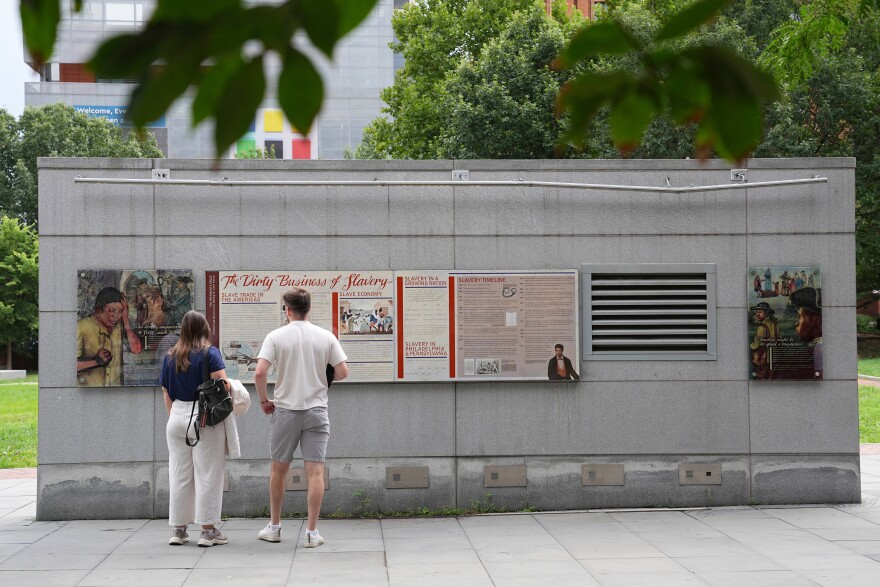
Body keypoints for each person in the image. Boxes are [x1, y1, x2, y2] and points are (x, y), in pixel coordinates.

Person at [255, 288, 348, 548]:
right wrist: (321, 377)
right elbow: (342, 372)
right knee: (316, 471)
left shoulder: (276, 337)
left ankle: (274, 527)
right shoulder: (325, 337)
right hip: (317, 410)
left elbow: (260, 373)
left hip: (285, 410)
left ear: (287, 309)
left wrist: (264, 401)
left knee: (278, 469)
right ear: (308, 309)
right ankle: (312, 532)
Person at [160, 310, 233, 548]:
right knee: (208, 474)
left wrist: (176, 417)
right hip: (203, 417)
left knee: (179, 473)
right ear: (204, 329)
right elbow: (222, 384)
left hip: (177, 416)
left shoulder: (170, 356)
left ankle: (179, 530)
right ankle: (208, 531)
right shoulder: (209, 353)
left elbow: (165, 391)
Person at [76, 286, 143, 386]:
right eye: (112, 311)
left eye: (120, 311)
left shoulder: (120, 326)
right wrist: (95, 362)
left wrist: (125, 320)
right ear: (99, 309)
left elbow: (136, 349)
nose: (116, 316)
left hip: (116, 389)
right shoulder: (81, 327)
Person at [791, 287, 823, 378]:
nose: (796, 323)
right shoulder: (818, 345)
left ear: (812, 321)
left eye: (800, 317)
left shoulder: (819, 348)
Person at [749, 301, 780, 379]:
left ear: (766, 313)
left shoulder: (762, 327)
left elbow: (756, 345)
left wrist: (751, 346)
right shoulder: (775, 324)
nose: (757, 314)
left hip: (763, 358)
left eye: (760, 312)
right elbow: (779, 338)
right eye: (756, 312)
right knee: (771, 377)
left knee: (760, 377)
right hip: (774, 356)